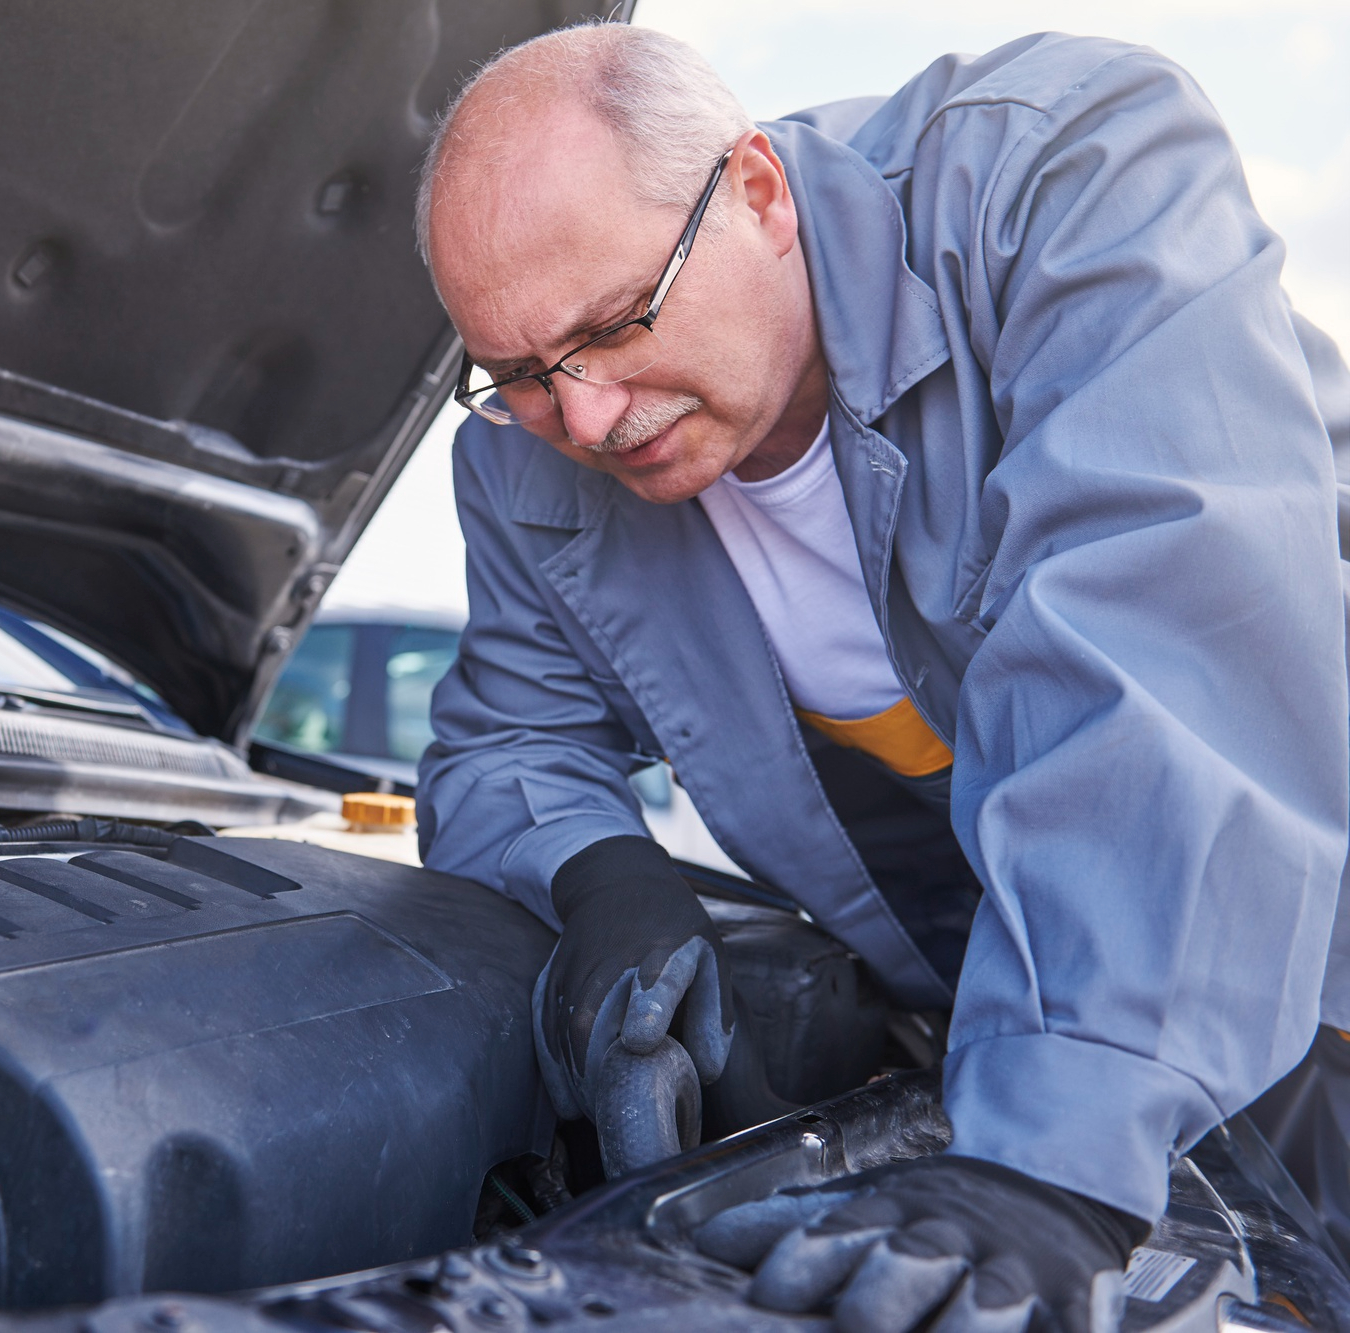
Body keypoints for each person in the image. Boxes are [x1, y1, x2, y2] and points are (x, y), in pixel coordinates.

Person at [413, 21, 1350, 1331]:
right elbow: (506, 741)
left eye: (615, 325)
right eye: (516, 374)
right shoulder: (526, 466)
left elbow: (1167, 640)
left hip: (1298, 961)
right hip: (1010, 1027)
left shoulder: (1060, 183)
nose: (582, 416)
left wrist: (1050, 1165)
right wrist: (602, 876)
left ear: (758, 192)